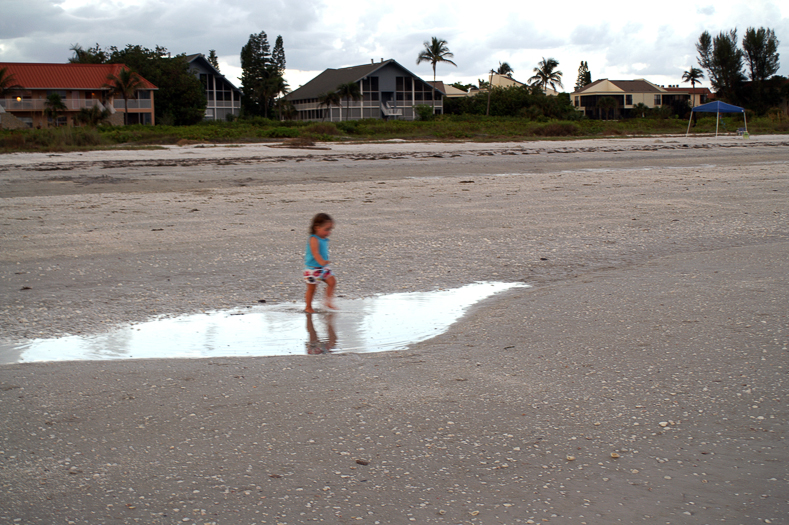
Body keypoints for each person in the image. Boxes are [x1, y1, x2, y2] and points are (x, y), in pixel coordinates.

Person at [303, 213, 338, 313]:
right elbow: (315, 253)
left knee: (332, 282)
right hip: (312, 269)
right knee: (312, 289)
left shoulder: (323, 239)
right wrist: (321, 261)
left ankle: (327, 301)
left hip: (323, 268)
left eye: (330, 229)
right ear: (317, 227)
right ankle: (308, 307)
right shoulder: (313, 239)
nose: (329, 232)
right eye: (326, 229)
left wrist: (323, 263)